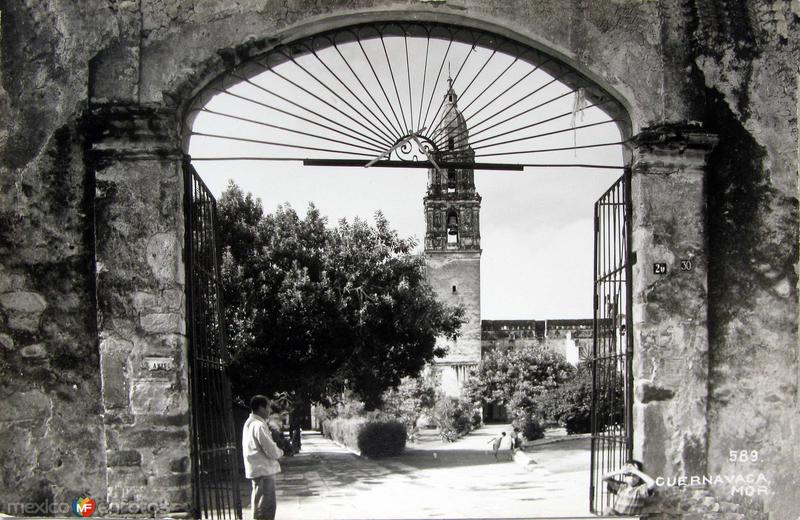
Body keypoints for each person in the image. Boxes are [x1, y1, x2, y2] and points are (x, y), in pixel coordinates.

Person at [243, 395, 284, 520]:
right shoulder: (258, 425)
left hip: (257, 469)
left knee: (260, 505)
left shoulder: (250, 423)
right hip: (263, 470)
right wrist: (280, 452)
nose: (269, 411)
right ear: (260, 408)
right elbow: (270, 448)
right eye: (267, 407)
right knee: (266, 508)